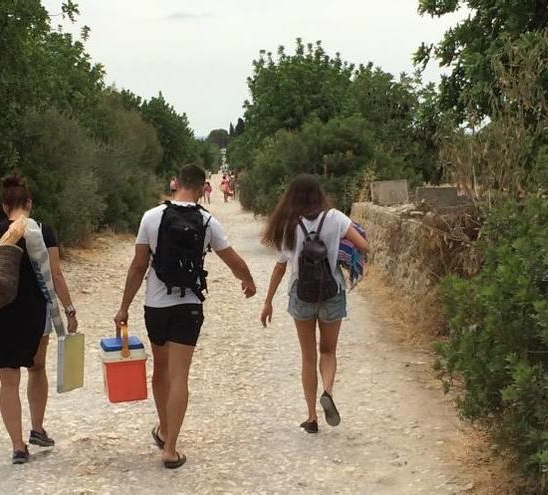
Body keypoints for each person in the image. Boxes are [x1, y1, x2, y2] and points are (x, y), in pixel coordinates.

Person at [114, 164, 256, 469]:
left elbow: (139, 266)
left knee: (161, 370)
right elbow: (233, 260)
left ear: (175, 181)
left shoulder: (151, 217)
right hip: (189, 306)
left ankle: (164, 430)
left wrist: (124, 306)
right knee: (180, 375)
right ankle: (171, 449)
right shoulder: (207, 221)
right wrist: (248, 281)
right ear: (202, 186)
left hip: (155, 305)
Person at [0, 172, 78, 464]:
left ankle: (18, 447)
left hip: (0, 312)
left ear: (4, 205)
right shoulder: (44, 231)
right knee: (36, 369)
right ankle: (37, 428)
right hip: (36, 312)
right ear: (29, 202)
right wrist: (69, 310)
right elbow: (55, 275)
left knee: (8, 382)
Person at [258, 174, 369, 434]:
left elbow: (280, 267)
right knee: (328, 351)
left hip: (301, 294)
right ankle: (327, 391)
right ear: (319, 193)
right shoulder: (336, 217)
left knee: (307, 357)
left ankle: (311, 417)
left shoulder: (288, 224)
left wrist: (268, 302)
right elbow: (364, 246)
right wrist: (342, 251)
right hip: (332, 291)